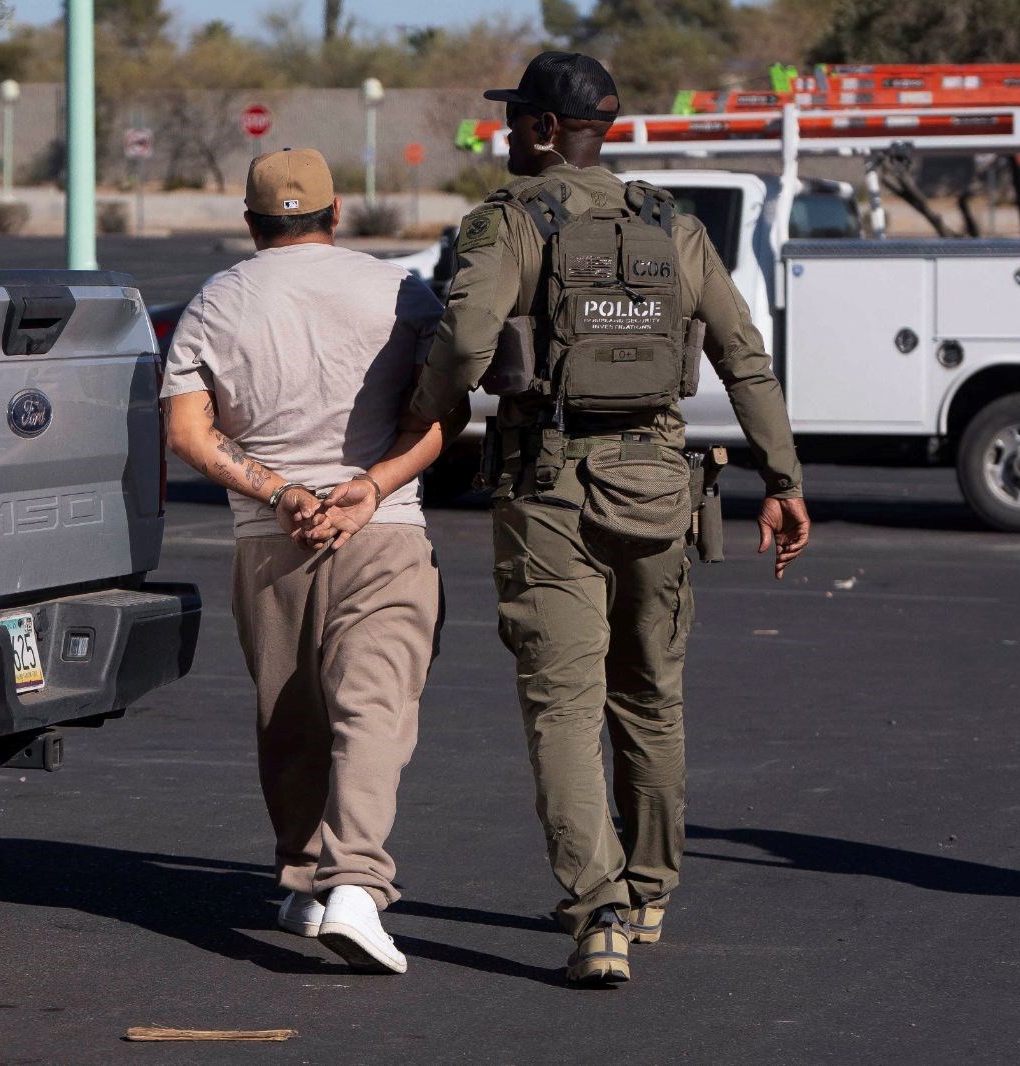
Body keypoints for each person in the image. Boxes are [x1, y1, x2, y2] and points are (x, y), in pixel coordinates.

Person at [402, 52, 812, 985]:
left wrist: (420, 418)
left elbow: (466, 341)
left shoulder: (507, 224)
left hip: (550, 492)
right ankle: (652, 890)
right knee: (651, 697)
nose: (508, 134)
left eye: (518, 120)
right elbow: (746, 356)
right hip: (663, 485)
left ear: (549, 130)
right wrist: (782, 480)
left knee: (563, 705)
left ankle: (599, 917)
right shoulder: (674, 225)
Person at [161, 147, 451, 975]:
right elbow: (441, 418)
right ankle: (355, 886)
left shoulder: (216, 301)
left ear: (251, 224)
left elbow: (188, 433)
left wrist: (279, 491)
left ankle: (303, 883)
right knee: (372, 706)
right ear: (336, 214)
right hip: (383, 529)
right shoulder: (404, 292)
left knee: (291, 716)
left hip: (268, 542)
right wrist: (369, 484)